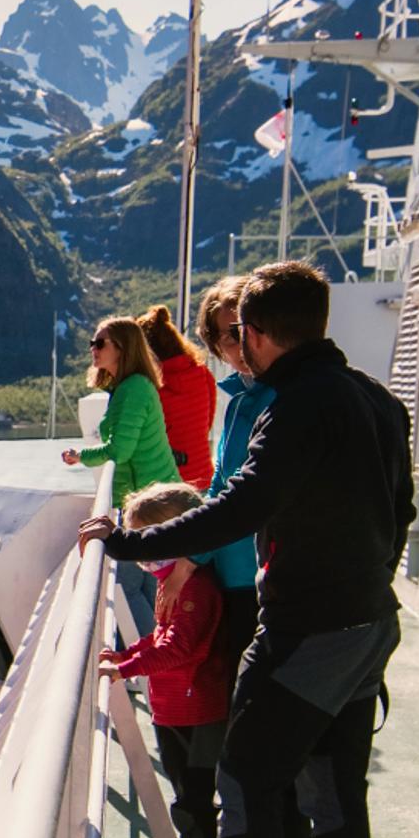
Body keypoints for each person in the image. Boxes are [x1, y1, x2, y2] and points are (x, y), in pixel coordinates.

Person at [78, 261, 415, 838]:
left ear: (256, 335)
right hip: (366, 625)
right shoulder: (376, 400)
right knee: (333, 803)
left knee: (244, 779)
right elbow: (402, 513)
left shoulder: (293, 407)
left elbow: (241, 505)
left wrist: (125, 541)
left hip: (306, 629)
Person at [98, 482, 231, 838]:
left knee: (194, 797)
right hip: (174, 708)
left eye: (145, 540)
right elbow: (159, 636)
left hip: (194, 711)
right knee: (186, 792)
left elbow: (178, 647)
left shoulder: (192, 589)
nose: (141, 556)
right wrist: (125, 655)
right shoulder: (170, 582)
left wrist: (124, 669)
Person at [62, 316, 179, 626]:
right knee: (145, 582)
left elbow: (119, 450)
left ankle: (149, 657)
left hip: (147, 503)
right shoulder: (128, 387)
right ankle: (157, 657)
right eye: (92, 343)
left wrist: (81, 455)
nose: (93, 349)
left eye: (100, 343)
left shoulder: (132, 389)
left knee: (127, 586)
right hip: (148, 499)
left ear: (122, 348)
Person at [191, 277, 274, 670]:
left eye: (242, 331)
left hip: (254, 574)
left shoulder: (274, 399)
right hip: (231, 568)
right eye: (226, 337)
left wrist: (190, 558)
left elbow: (238, 492)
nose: (238, 346)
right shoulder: (241, 399)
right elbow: (220, 479)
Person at [140, 304, 216, 490]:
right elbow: (207, 423)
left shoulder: (150, 385)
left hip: (165, 480)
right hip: (202, 476)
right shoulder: (203, 374)